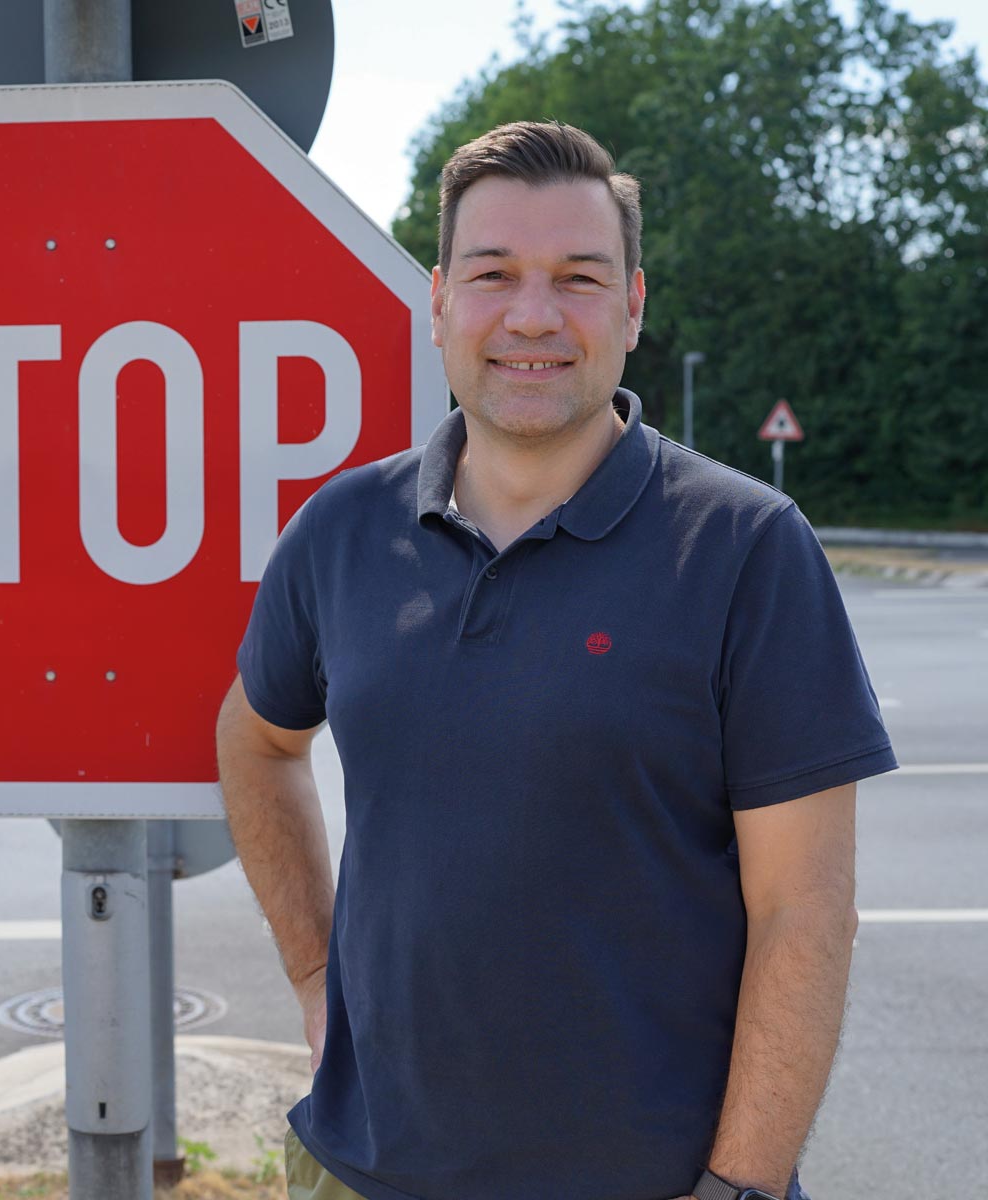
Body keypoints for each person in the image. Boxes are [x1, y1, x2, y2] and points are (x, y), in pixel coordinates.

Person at [216, 120, 896, 1200]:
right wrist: (313, 973)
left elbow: (805, 913)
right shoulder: (341, 530)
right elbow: (256, 740)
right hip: (364, 1171)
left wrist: (741, 1187)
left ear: (632, 305)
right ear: (439, 300)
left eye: (579, 278)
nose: (533, 315)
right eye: (494, 275)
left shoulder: (745, 548)